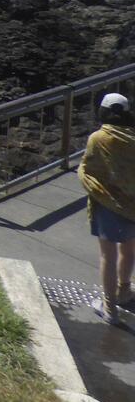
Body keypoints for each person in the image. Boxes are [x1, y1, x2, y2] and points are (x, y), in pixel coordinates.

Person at [78, 92, 135, 323]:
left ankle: (109, 308)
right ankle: (124, 291)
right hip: (133, 206)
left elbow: (89, 168)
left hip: (108, 203)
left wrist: (81, 172)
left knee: (107, 256)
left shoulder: (98, 138)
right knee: (129, 251)